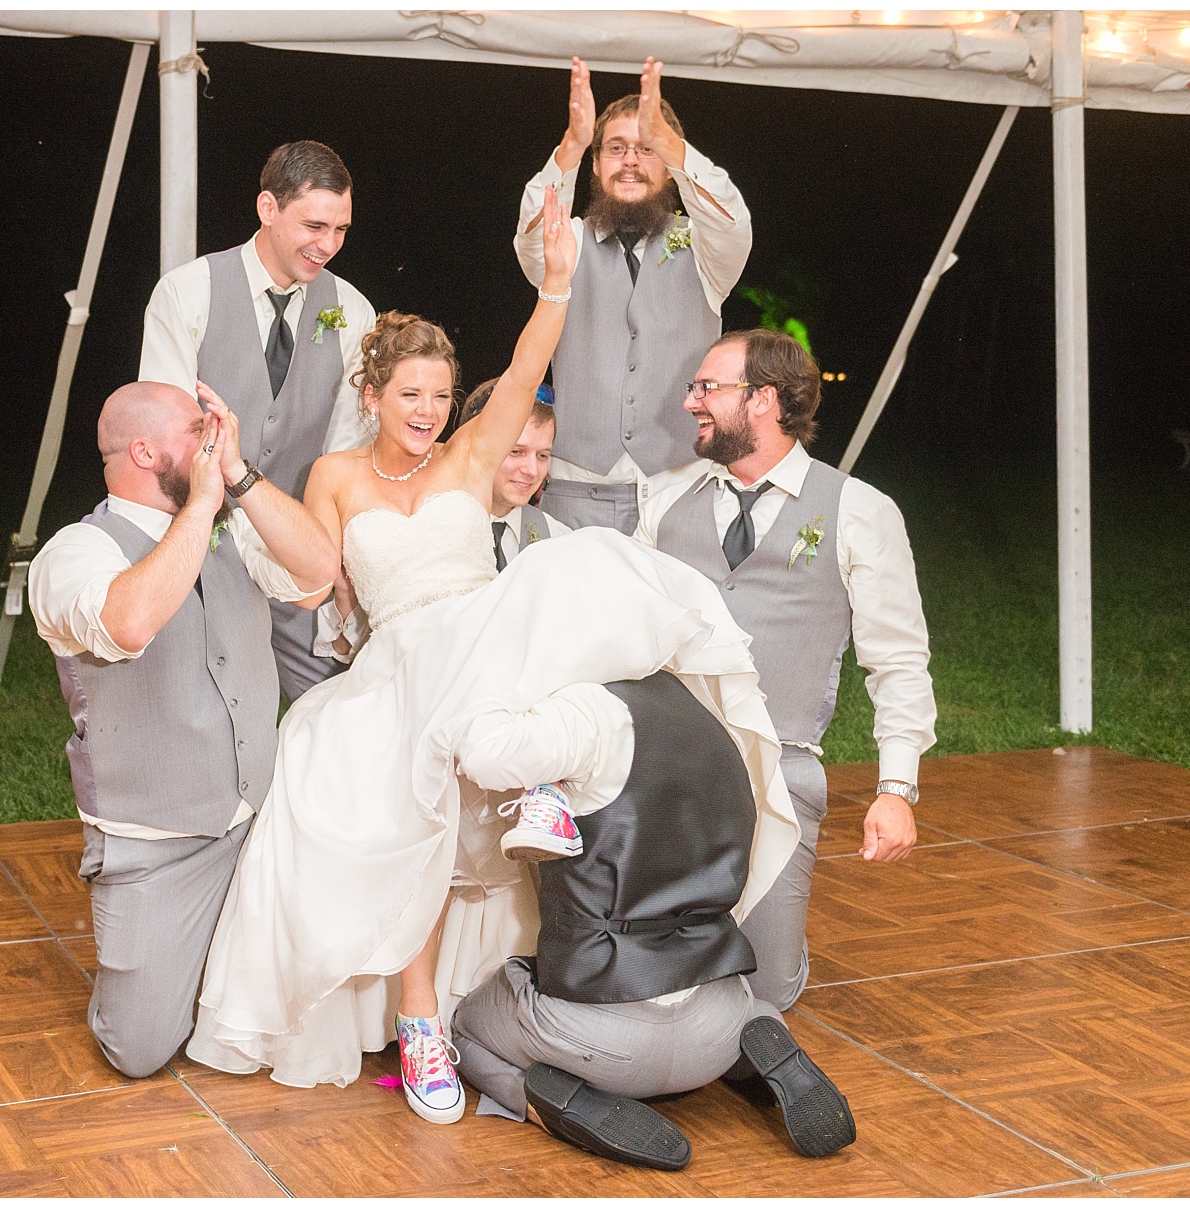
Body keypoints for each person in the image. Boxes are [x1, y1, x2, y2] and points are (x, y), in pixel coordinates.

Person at [186, 188, 794, 1130]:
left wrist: (557, 284)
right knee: (395, 787)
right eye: (410, 396)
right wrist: (236, 474)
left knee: (572, 569)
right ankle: (420, 1023)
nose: (428, 412)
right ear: (372, 397)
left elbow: (527, 366)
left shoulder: (471, 455)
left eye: (439, 395)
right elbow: (308, 567)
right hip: (403, 663)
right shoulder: (337, 477)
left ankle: (548, 805)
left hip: (487, 639)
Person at [26, 380, 336, 1078]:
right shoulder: (74, 552)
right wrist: (198, 506)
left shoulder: (233, 529)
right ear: (144, 451)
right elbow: (128, 624)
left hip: (262, 822)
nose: (212, 440)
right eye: (198, 431)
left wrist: (239, 476)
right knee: (138, 1050)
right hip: (155, 844)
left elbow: (319, 572)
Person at [636, 327, 936, 1011]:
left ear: (764, 400)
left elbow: (898, 661)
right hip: (665, 771)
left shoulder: (860, 511)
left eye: (707, 387)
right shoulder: (662, 499)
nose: (690, 402)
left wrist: (896, 789)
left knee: (763, 993)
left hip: (781, 770)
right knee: (654, 976)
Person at [449, 668, 852, 1170]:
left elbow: (484, 755)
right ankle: (760, 1049)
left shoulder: (578, 718)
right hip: (716, 1023)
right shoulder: (714, 718)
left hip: (599, 1039)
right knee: (755, 1007)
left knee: (465, 1027)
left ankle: (559, 1105)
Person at [141, 139, 378, 702]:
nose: (328, 246)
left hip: (301, 554)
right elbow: (167, 434)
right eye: (314, 226)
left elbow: (347, 453)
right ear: (267, 207)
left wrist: (328, 557)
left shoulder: (353, 310)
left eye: (341, 230)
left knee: (336, 713)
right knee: (206, 715)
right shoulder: (187, 293)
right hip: (203, 555)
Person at [514, 57, 750, 535]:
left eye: (647, 149)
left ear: (671, 168)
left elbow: (733, 221)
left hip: (681, 493)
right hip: (576, 495)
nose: (630, 162)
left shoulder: (705, 249)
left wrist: (672, 143)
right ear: (595, 164)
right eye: (616, 149)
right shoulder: (569, 241)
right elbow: (532, 235)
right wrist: (572, 144)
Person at [455, 379, 572, 570]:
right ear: (474, 446)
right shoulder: (431, 527)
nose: (532, 471)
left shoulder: (558, 539)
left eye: (542, 455)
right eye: (516, 452)